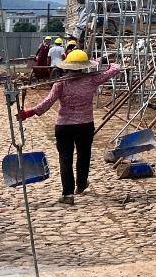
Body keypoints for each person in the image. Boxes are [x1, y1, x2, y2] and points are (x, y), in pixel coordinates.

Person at [18, 50, 123, 205]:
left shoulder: (60, 82)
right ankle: (81, 184)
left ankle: (67, 194)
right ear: (84, 67)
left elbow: (48, 102)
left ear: (67, 66)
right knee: (84, 155)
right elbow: (115, 69)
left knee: (65, 159)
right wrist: (105, 62)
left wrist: (30, 112)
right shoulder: (92, 79)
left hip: (64, 126)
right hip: (85, 125)